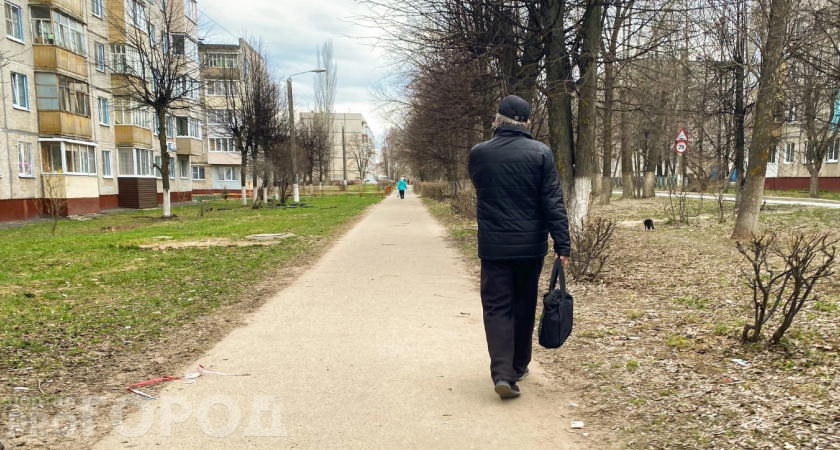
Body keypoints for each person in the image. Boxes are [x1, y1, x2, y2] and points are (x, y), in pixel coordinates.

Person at [468, 94, 571, 399]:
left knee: (497, 307)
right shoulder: (541, 153)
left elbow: (483, 188)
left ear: (497, 121)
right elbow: (553, 201)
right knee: (524, 305)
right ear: (527, 123)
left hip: (494, 247)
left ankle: (502, 373)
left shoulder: (479, 154)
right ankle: (518, 366)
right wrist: (562, 244)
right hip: (530, 247)